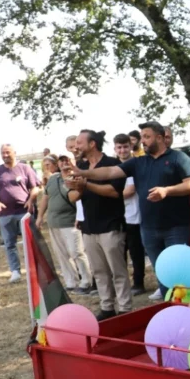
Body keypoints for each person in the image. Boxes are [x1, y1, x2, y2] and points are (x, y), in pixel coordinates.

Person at [71, 121, 190, 300]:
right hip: (149, 228)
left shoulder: (178, 158)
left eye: (147, 137)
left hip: (175, 226)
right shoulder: (137, 162)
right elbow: (109, 172)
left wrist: (166, 191)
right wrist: (82, 173)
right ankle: (169, 305)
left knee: (178, 270)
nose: (142, 141)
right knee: (160, 271)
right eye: (142, 137)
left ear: (160, 138)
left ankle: (187, 304)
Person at [67, 130, 132, 319]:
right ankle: (107, 307)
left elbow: (114, 192)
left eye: (80, 142)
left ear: (92, 144)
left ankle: (125, 308)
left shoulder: (113, 164)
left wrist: (86, 184)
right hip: (88, 227)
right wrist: (78, 188)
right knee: (99, 271)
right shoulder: (80, 165)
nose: (77, 146)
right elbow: (72, 196)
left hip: (111, 225)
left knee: (117, 270)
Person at [36, 155, 93, 295]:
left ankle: (86, 281)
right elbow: (46, 197)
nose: (64, 163)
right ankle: (71, 282)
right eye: (61, 161)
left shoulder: (78, 179)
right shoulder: (53, 179)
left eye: (67, 160)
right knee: (62, 255)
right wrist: (39, 216)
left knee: (76, 252)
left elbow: (76, 198)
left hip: (71, 222)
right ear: (58, 164)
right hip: (54, 223)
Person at [0, 144, 41, 283]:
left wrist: (31, 199)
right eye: (2, 153)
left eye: (7, 152)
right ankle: (15, 271)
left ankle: (34, 269)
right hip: (5, 213)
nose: (5, 155)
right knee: (9, 243)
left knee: (31, 242)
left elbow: (35, 188)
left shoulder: (25, 168)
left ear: (14, 153)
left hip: (24, 211)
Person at [113, 134, 147, 295]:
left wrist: (112, 195)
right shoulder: (113, 167)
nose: (122, 150)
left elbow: (130, 190)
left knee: (136, 252)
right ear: (115, 149)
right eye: (119, 147)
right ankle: (122, 284)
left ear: (130, 147)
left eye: (125, 146)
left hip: (134, 216)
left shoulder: (136, 165)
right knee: (119, 254)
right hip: (117, 216)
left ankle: (138, 283)